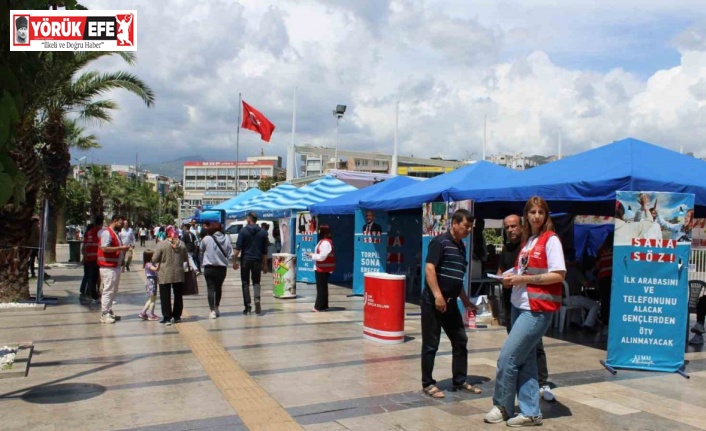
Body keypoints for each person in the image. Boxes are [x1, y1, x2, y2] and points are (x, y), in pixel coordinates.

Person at [484, 196, 565, 427]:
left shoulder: (551, 240)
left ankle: (502, 406)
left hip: (536, 309)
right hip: (520, 305)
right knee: (526, 361)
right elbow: (523, 269)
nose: (536, 216)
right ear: (526, 216)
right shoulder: (529, 241)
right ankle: (531, 412)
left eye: (540, 212)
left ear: (546, 215)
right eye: (532, 212)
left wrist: (523, 278)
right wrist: (511, 276)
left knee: (507, 358)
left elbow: (559, 274)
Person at [420, 209, 480, 399]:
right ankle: (428, 383)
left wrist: (466, 301)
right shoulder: (440, 242)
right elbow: (429, 268)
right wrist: (437, 295)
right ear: (454, 223)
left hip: (451, 303)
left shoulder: (461, 246)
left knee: (460, 340)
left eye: (470, 227)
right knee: (431, 343)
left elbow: (457, 278)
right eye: (466, 226)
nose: (469, 230)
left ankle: (460, 379)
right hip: (433, 302)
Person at [497, 214, 556, 403]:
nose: (510, 230)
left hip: (531, 303)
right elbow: (502, 271)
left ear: (522, 226)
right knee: (519, 350)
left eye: (513, 226)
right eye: (507, 227)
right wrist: (503, 279)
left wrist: (521, 279)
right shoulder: (507, 248)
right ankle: (525, 396)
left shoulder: (533, 244)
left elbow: (556, 273)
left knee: (530, 347)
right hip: (512, 302)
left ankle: (542, 382)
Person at [153, 227, 189, 325]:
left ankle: (167, 317)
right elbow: (186, 258)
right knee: (178, 295)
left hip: (165, 272)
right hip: (179, 272)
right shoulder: (182, 244)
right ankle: (177, 316)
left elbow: (155, 258)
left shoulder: (161, 244)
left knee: (165, 295)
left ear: (166, 233)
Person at [97, 215, 130, 324]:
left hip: (115, 266)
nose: (122, 225)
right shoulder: (107, 233)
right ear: (114, 221)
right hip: (108, 267)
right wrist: (121, 248)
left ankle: (109, 310)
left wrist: (122, 259)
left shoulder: (115, 233)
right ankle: (104, 313)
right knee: (108, 290)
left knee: (113, 290)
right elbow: (104, 248)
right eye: (120, 223)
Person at [234, 212, 268, 315]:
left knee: (245, 283)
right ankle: (257, 299)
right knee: (256, 282)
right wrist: (265, 265)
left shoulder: (243, 231)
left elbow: (238, 248)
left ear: (249, 219)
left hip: (245, 260)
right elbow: (265, 252)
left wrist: (234, 261)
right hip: (257, 260)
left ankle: (248, 307)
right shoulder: (263, 233)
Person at [200, 222, 233, 319]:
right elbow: (230, 254)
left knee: (210, 289)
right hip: (222, 269)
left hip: (209, 268)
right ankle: (217, 307)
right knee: (218, 288)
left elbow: (201, 249)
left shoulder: (206, 238)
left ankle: (212, 311)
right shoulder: (226, 239)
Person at [564, 252, 600, 331]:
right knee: (595, 305)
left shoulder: (561, 271)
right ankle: (588, 326)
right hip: (573, 297)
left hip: (562, 299)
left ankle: (574, 322)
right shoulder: (574, 271)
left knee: (580, 302)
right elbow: (586, 283)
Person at [308, 225, 336, 312]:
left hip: (323, 269)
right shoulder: (324, 241)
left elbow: (322, 257)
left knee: (321, 288)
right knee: (323, 288)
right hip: (322, 268)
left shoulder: (325, 243)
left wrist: (312, 255)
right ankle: (324, 305)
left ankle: (319, 306)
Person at [596, 232, 614, 335]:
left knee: (605, 302)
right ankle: (609, 325)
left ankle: (605, 325)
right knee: (612, 302)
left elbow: (597, 265)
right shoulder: (618, 248)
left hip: (603, 277)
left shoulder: (601, 249)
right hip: (613, 278)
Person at [138, 249, 160, 321]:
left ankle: (144, 312)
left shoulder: (149, 263)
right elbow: (155, 269)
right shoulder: (148, 264)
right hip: (151, 282)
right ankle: (150, 314)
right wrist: (159, 264)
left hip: (152, 281)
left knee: (152, 299)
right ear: (150, 257)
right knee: (152, 299)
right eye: (153, 255)